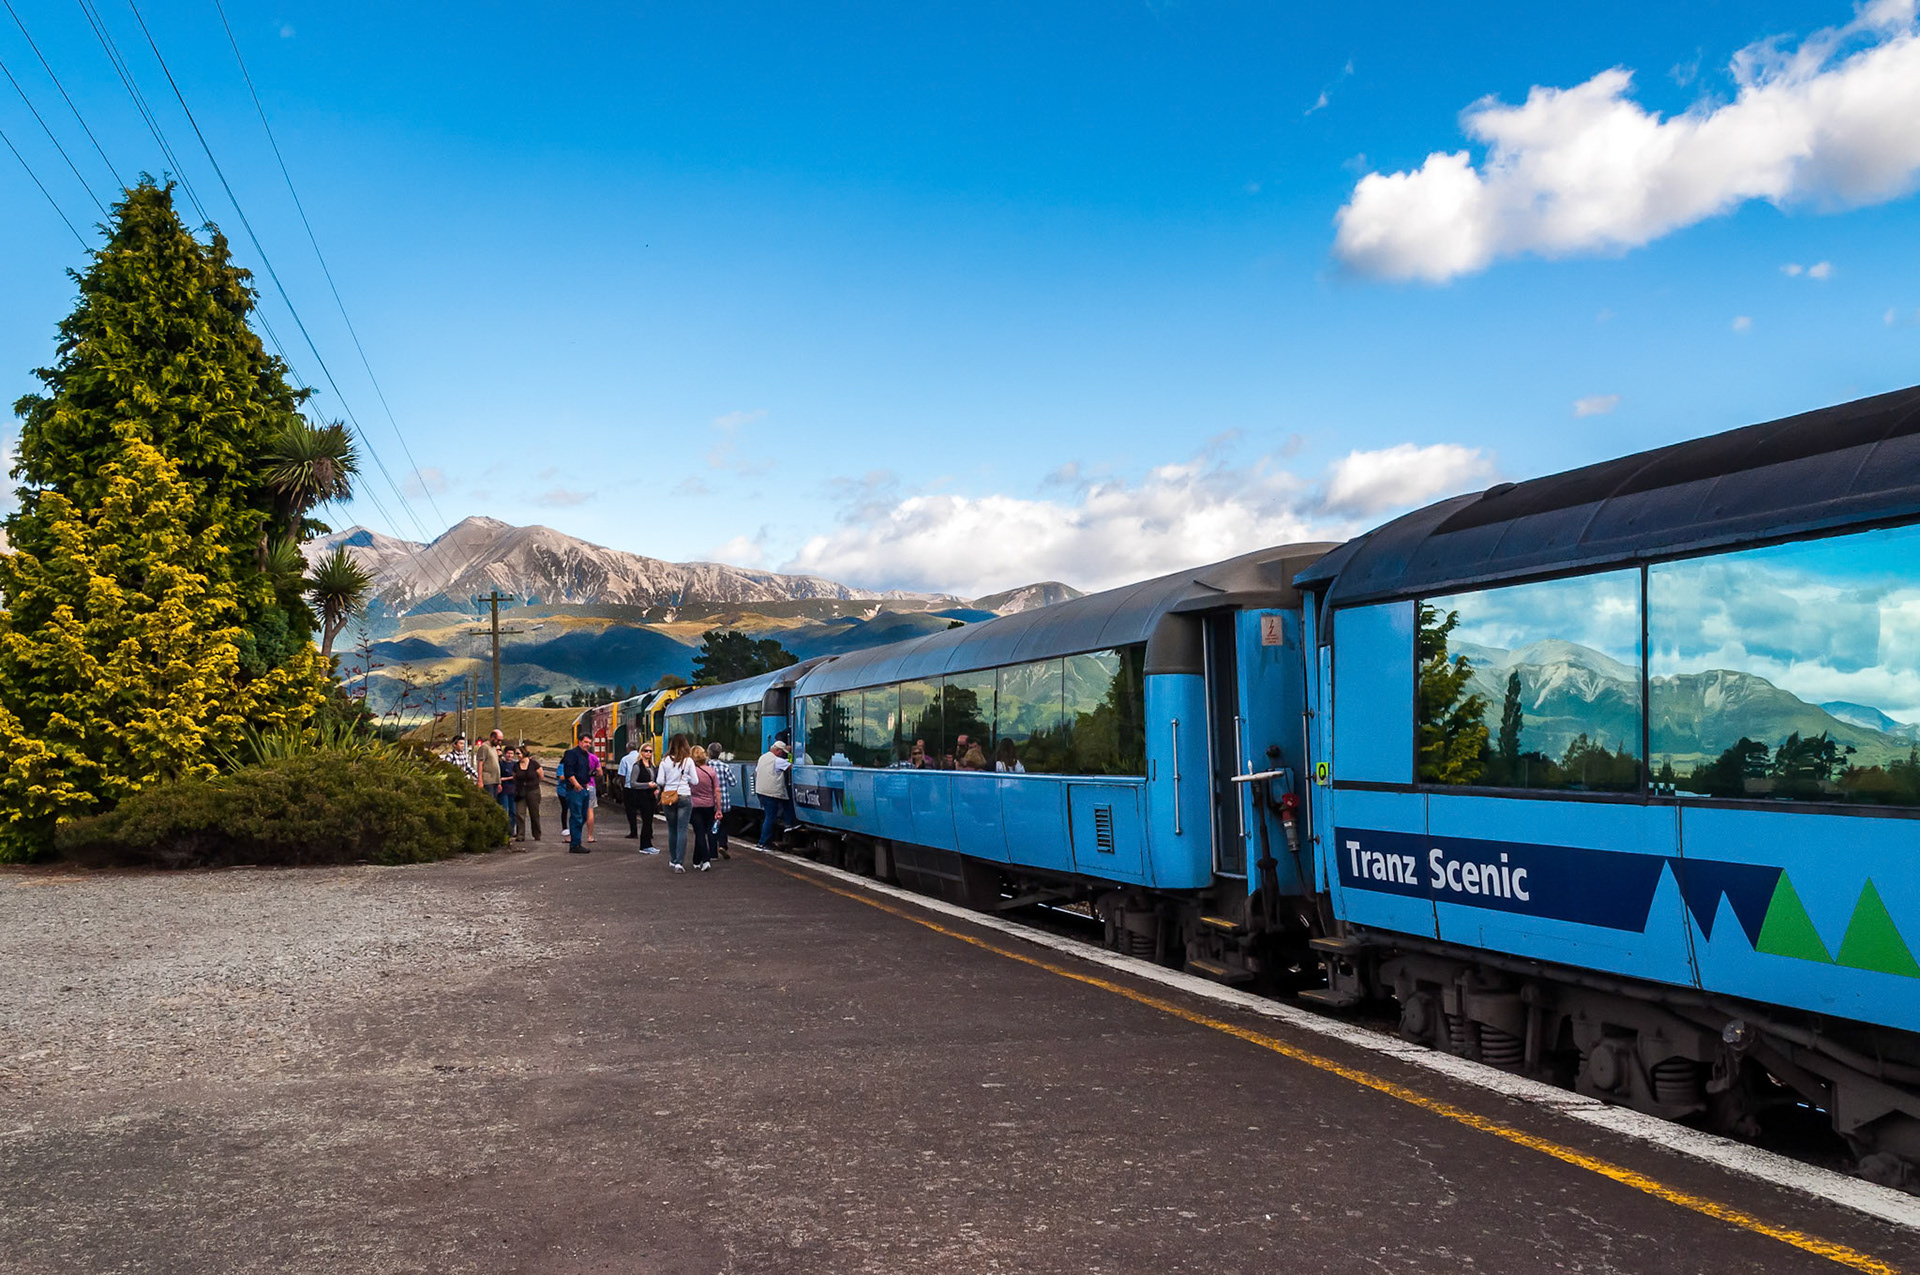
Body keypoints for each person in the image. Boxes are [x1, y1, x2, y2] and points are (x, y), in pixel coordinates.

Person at [655, 734, 697, 872]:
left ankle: (672, 860)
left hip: (669, 797)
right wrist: (686, 777)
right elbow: (695, 781)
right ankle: (680, 862)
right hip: (684, 795)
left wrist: (670, 781)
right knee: (682, 829)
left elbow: (660, 781)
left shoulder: (665, 761)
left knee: (672, 829)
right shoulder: (688, 761)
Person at [755, 739, 793, 850]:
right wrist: (790, 754)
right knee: (770, 817)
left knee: (768, 816)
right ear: (777, 750)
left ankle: (764, 841)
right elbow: (791, 766)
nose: (782, 754)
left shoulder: (762, 757)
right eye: (782, 752)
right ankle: (763, 842)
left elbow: (757, 772)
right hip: (771, 793)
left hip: (761, 791)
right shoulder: (777, 761)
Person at [559, 737, 594, 853]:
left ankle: (576, 840)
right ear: (579, 742)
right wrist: (576, 784)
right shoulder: (571, 754)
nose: (587, 744)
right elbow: (568, 771)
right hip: (575, 790)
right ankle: (575, 844)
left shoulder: (586, 755)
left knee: (583, 816)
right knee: (576, 816)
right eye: (585, 742)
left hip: (584, 788)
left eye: (589, 742)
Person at [689, 746, 719, 873]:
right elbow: (717, 790)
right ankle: (696, 860)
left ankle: (705, 860)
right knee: (704, 832)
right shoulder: (711, 771)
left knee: (699, 833)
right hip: (709, 805)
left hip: (694, 806)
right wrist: (719, 809)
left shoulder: (691, 772)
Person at [707, 740, 735, 858]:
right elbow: (733, 782)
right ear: (720, 753)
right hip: (724, 801)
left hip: (709, 801)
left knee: (711, 826)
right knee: (724, 825)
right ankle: (722, 845)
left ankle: (713, 853)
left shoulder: (706, 766)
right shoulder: (725, 766)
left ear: (709, 753)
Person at [514, 748, 543, 842]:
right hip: (520, 792)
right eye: (516, 753)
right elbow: (514, 776)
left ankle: (536, 834)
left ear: (524, 753)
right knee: (519, 813)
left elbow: (541, 776)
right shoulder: (516, 766)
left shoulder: (534, 764)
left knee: (534, 813)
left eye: (518, 753)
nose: (517, 755)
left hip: (533, 791)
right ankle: (520, 834)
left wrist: (534, 783)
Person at [496, 744, 518, 837]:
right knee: (504, 810)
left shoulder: (515, 765)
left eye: (511, 753)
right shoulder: (501, 764)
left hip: (513, 791)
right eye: (508, 753)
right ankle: (503, 830)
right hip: (504, 790)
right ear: (505, 754)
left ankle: (511, 830)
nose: (509, 755)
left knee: (513, 812)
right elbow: (499, 778)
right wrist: (510, 778)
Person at [584, 743, 601, 844]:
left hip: (578, 785)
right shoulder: (594, 758)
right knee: (590, 811)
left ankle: (573, 836)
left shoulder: (575, 758)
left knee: (576, 811)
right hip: (590, 785)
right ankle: (590, 836)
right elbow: (600, 773)